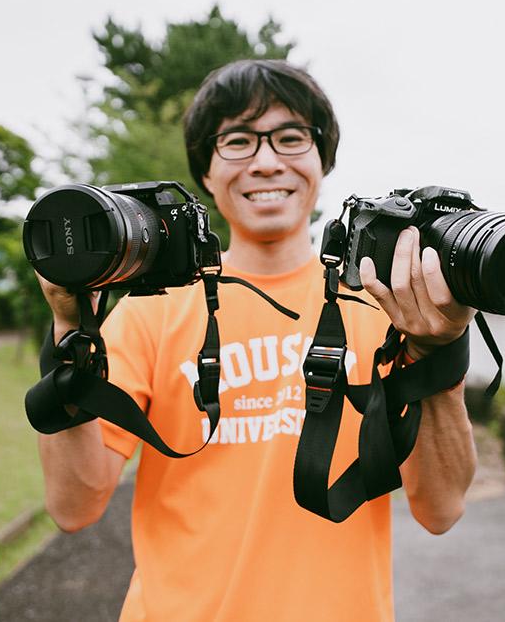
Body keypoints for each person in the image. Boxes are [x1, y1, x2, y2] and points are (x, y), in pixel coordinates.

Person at [35, 59, 477, 621]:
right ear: (205, 171)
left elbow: (441, 509)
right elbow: (74, 506)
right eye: (238, 141)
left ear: (323, 161)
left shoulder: (381, 304)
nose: (267, 163)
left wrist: (437, 351)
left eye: (291, 137)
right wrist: (70, 334)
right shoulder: (151, 309)